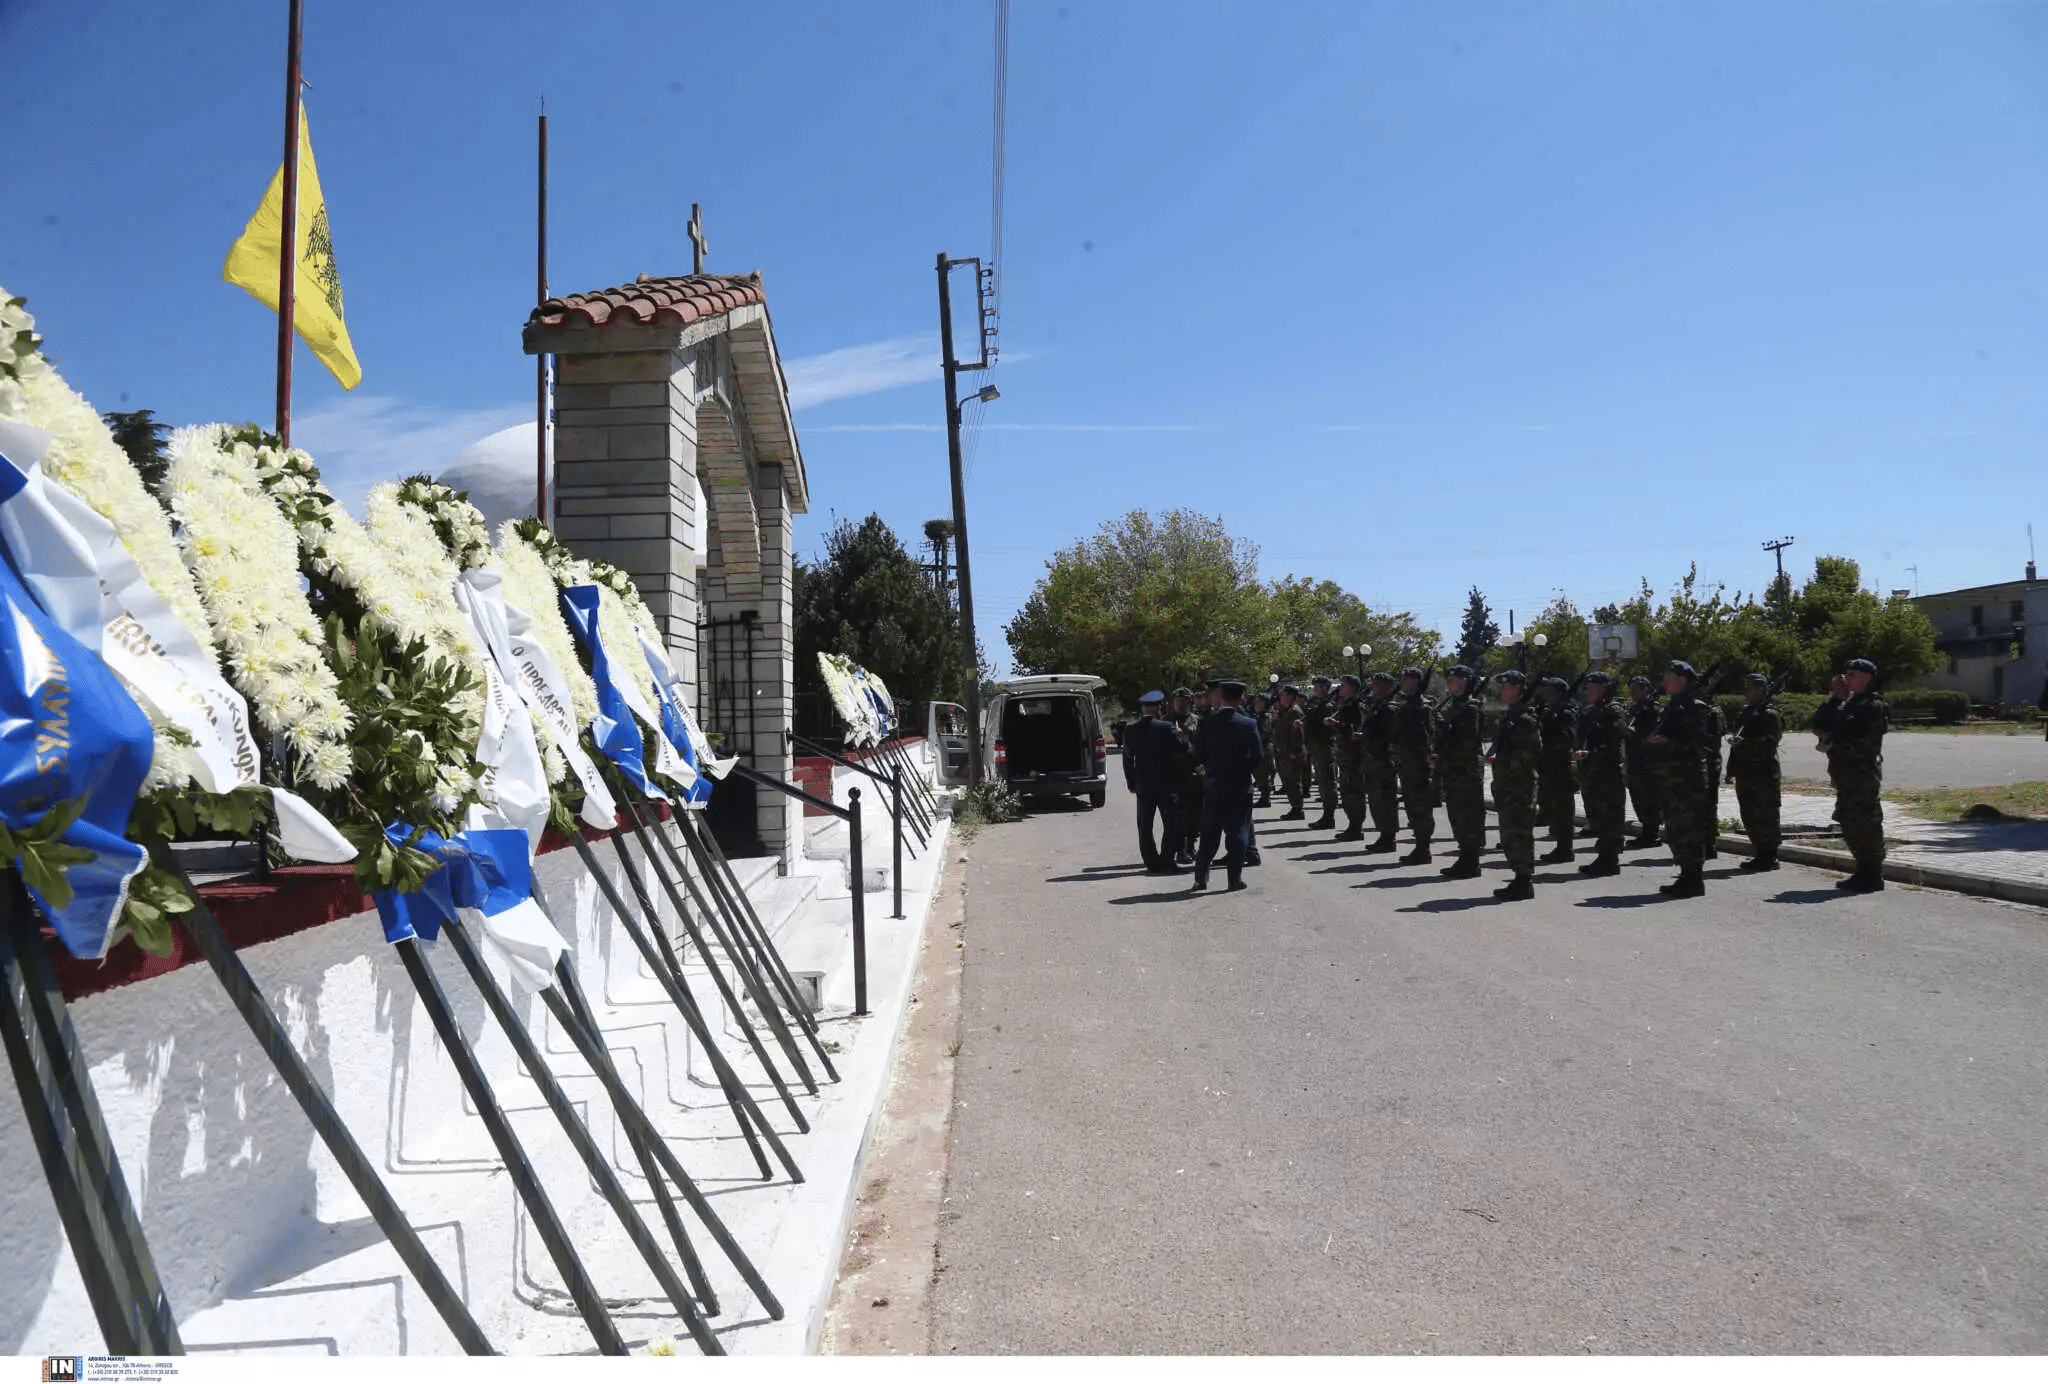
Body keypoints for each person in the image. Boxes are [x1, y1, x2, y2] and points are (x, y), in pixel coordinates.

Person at [1646, 660, 1717, 898]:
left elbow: (1697, 741)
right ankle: (1686, 874)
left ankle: (1694, 878)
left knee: (1690, 828)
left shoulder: (1695, 706)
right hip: (1672, 777)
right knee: (1675, 827)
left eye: (1669, 677)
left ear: (1682, 680)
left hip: (1688, 778)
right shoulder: (1674, 705)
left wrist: (1667, 741)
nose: (1664, 682)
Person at [1823, 658, 1889, 891]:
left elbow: (1866, 743)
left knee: (1866, 823)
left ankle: (1873, 874)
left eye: (1853, 674)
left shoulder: (1873, 706)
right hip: (1845, 775)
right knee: (1849, 822)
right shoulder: (1849, 703)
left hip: (1862, 775)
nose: (1847, 678)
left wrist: (1835, 747)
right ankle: (1861, 869)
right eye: (1847, 674)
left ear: (1866, 678)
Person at [1191, 677, 1262, 891]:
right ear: (1240, 701)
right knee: (1238, 832)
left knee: (1209, 833)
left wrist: (1212, 768)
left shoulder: (1206, 723)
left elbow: (1198, 755)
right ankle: (1234, 879)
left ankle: (1201, 878)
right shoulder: (1248, 724)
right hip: (1240, 785)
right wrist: (1244, 770)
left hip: (1214, 784)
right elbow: (1258, 756)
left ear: (1221, 698)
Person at [1486, 669, 1542, 899]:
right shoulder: (1510, 715)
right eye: (1501, 687)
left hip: (1519, 785)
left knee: (1519, 833)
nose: (1502, 690)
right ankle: (1519, 878)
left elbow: (1531, 753)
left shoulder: (1525, 719)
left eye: (1507, 687)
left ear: (1519, 690)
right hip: (1507, 784)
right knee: (1509, 835)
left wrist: (1503, 759)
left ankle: (1524, 880)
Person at [1122, 690, 1188, 873]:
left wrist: (1131, 781)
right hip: (1167, 782)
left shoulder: (1131, 729)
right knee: (1172, 823)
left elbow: (1127, 759)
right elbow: (1183, 745)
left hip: (1143, 784)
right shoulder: (1167, 727)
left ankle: (1151, 862)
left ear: (1143, 709)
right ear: (1159, 707)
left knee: (1145, 825)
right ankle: (1167, 860)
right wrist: (1180, 732)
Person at [1430, 664, 1486, 878]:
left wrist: (1447, 739)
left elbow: (1468, 740)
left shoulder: (1471, 707)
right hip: (1452, 768)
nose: (1450, 684)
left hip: (1466, 768)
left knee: (1468, 814)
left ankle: (1471, 861)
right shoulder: (1454, 705)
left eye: (1454, 680)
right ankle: (1465, 857)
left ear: (1464, 682)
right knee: (1456, 813)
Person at [1572, 671, 1628, 877]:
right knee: (1598, 816)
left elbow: (1613, 738)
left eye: (1591, 686)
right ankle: (1604, 857)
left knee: (1609, 817)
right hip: (1593, 772)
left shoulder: (1613, 710)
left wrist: (1592, 752)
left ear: (1602, 688)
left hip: (1608, 773)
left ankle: (1609, 859)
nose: (1587, 690)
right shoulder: (1592, 710)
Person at [1728, 672, 1783, 872]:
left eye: (1750, 687)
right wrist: (1731, 769)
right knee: (1749, 813)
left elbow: (1770, 743)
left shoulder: (1769, 714)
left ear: (1761, 689)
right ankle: (1759, 852)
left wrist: (1746, 743)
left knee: (1766, 813)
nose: (1746, 690)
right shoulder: (1745, 713)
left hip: (1763, 772)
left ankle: (1770, 854)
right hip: (1745, 771)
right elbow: (1736, 742)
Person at [1388, 666, 1438, 864]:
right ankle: (1420, 847)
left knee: (1420, 806)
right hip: (1407, 762)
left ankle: (1423, 848)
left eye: (1407, 679)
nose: (1403, 682)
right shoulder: (1406, 704)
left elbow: (1429, 736)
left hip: (1418, 763)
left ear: (1416, 682)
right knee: (1412, 805)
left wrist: (1428, 759)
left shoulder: (1421, 707)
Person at [1535, 675, 1580, 862]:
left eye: (1549, 689)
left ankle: (1565, 849)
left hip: (1560, 766)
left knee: (1563, 809)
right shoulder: (1550, 710)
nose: (1544, 692)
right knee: (1554, 808)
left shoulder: (1565, 712)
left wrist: (1548, 741)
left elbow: (1566, 739)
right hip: (1549, 766)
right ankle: (1561, 846)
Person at [1360, 671, 1401, 852]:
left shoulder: (1389, 708)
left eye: (1376, 684)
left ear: (1385, 687)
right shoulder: (1376, 706)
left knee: (1385, 800)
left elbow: (1392, 737)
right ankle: (1384, 836)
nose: (1372, 687)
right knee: (1376, 800)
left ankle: (1388, 837)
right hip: (1372, 759)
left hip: (1383, 761)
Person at [1624, 674, 1664, 848]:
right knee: (1637, 797)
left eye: (1637, 689)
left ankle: (1652, 833)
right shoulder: (1634, 708)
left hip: (1649, 761)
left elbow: (1653, 732)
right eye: (1631, 689)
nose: (1633, 692)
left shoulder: (1653, 709)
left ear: (1646, 689)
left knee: (1650, 799)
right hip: (1634, 759)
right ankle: (1646, 831)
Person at [1327, 674, 1368, 841]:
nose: (1340, 689)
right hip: (1344, 755)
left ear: (1351, 687)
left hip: (1354, 756)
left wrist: (1337, 724)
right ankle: (1353, 825)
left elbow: (1357, 731)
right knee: (1346, 791)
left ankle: (1356, 827)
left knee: (1354, 792)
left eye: (1343, 686)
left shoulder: (1357, 706)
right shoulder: (1345, 705)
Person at [1170, 686, 1202, 864]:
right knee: (1176, 814)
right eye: (1178, 701)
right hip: (1174, 774)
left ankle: (1191, 846)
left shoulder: (1198, 721)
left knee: (1194, 814)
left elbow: (1202, 746)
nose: (1181, 704)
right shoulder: (1166, 722)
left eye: (1185, 701)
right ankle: (1180, 849)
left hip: (1194, 774)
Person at [1302, 675, 1339, 830]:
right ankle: (1326, 815)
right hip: (1317, 747)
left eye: (1318, 686)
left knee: (1327, 782)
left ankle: (1329, 816)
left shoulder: (1328, 705)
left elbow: (1325, 727)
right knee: (1323, 782)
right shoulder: (1318, 703)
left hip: (1325, 747)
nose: (1315, 689)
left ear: (1324, 688)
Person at [1272, 683, 1309, 819]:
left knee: (1293, 783)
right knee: (1288, 783)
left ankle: (1297, 809)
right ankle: (1295, 808)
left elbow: (1299, 734)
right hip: (1283, 752)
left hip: (1292, 753)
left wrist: (1295, 751)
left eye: (1283, 694)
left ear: (1289, 696)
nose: (1281, 697)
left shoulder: (1294, 711)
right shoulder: (1283, 710)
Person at [1250, 692, 1276, 808]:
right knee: (1259, 773)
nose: (1256, 704)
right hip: (1260, 747)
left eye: (1259, 702)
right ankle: (1264, 796)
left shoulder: (1266, 717)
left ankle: (1265, 798)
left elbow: (1264, 733)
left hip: (1265, 748)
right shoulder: (1258, 716)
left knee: (1264, 772)